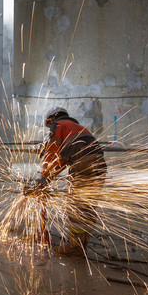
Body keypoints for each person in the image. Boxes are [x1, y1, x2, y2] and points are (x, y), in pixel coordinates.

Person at [39, 107, 106, 256]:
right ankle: (81, 245)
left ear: (51, 120)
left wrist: (44, 177)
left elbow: (53, 156)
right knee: (87, 207)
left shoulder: (58, 126)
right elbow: (64, 156)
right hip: (100, 167)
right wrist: (50, 176)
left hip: (84, 166)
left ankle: (74, 248)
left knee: (76, 207)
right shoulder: (79, 128)